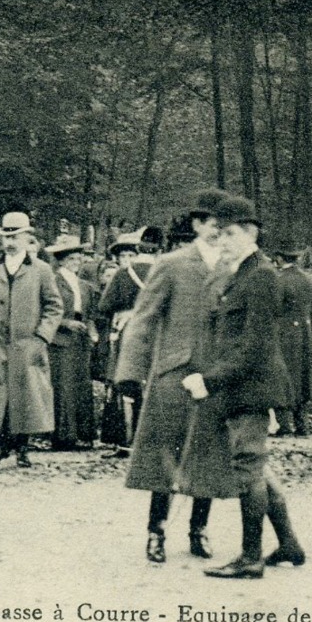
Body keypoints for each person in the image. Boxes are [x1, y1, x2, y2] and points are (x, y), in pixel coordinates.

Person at [177, 195, 304, 578]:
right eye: (219, 233)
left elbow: (255, 345)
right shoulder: (243, 274)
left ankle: (251, 558)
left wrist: (209, 379)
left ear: (251, 233)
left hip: (252, 387)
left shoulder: (261, 276)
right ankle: (289, 545)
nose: (222, 240)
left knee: (247, 470)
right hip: (242, 386)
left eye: (230, 233)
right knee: (257, 471)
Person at [116, 189, 228, 562]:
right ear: (197, 225)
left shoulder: (236, 266)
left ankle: (199, 529)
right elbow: (143, 320)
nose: (219, 231)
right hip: (174, 373)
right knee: (163, 455)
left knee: (210, 456)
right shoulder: (173, 264)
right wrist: (130, 372)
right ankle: (156, 531)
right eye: (213, 224)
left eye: (225, 225)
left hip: (216, 376)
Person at [0, 211, 64, 465]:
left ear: (27, 238)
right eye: (6, 236)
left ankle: (22, 448)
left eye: (16, 237)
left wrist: (41, 337)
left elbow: (54, 307)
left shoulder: (41, 270)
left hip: (26, 343)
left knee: (26, 395)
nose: (10, 242)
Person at [96, 230, 153, 453]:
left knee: (124, 380)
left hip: (127, 330)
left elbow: (105, 306)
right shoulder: (159, 269)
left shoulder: (122, 275)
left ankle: (124, 438)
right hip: (153, 330)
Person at [48, 232, 99, 450]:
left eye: (78, 259)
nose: (75, 263)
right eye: (71, 259)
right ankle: (63, 436)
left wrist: (92, 331)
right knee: (63, 385)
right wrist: (65, 323)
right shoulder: (53, 281)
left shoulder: (84, 285)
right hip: (61, 337)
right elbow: (45, 310)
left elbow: (90, 313)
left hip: (81, 337)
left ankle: (83, 434)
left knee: (81, 384)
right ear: (61, 261)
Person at [273, 243, 312, 437]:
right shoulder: (307, 279)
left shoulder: (278, 280)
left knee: (282, 374)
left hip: (283, 333)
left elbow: (274, 308)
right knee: (302, 375)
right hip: (304, 333)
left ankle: (283, 424)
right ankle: (302, 425)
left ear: (280, 258)